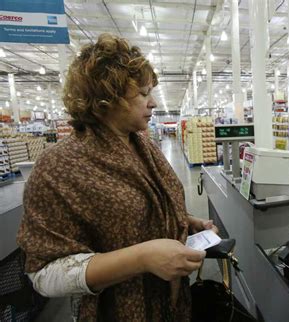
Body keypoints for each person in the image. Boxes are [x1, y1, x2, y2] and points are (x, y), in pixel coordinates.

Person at [17, 33, 217, 321]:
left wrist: (182, 220)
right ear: (107, 98)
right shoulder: (60, 165)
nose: (154, 103)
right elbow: (44, 274)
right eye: (143, 93)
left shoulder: (143, 146)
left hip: (169, 306)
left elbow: (136, 212)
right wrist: (143, 258)